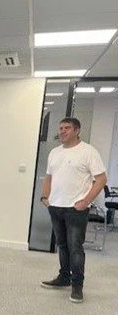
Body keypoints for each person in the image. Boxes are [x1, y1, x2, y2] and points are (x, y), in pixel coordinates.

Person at [40, 117, 107, 303]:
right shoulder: (54, 152)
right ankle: (64, 277)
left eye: (67, 128)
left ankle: (77, 286)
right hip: (55, 206)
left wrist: (86, 201)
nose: (62, 131)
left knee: (75, 248)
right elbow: (48, 177)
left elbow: (101, 179)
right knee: (62, 245)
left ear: (77, 130)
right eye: (60, 128)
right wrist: (45, 197)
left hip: (76, 208)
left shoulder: (88, 152)